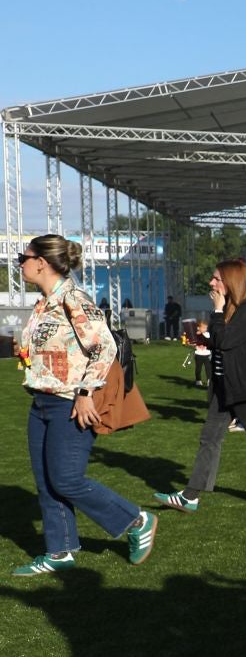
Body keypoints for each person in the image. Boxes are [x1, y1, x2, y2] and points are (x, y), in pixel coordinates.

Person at [12, 234, 158, 577]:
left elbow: (104, 347)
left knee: (65, 479)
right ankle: (59, 551)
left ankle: (137, 520)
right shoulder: (43, 303)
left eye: (24, 256)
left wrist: (85, 393)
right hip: (42, 401)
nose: (20, 263)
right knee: (47, 481)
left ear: (42, 262)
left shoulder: (73, 299)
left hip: (71, 403)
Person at [153, 261, 246, 515]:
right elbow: (217, 339)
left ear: (231, 281)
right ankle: (190, 497)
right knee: (209, 439)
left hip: (245, 387)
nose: (211, 283)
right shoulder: (234, 309)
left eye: (216, 279)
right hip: (224, 388)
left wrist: (218, 310)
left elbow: (223, 341)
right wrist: (219, 314)